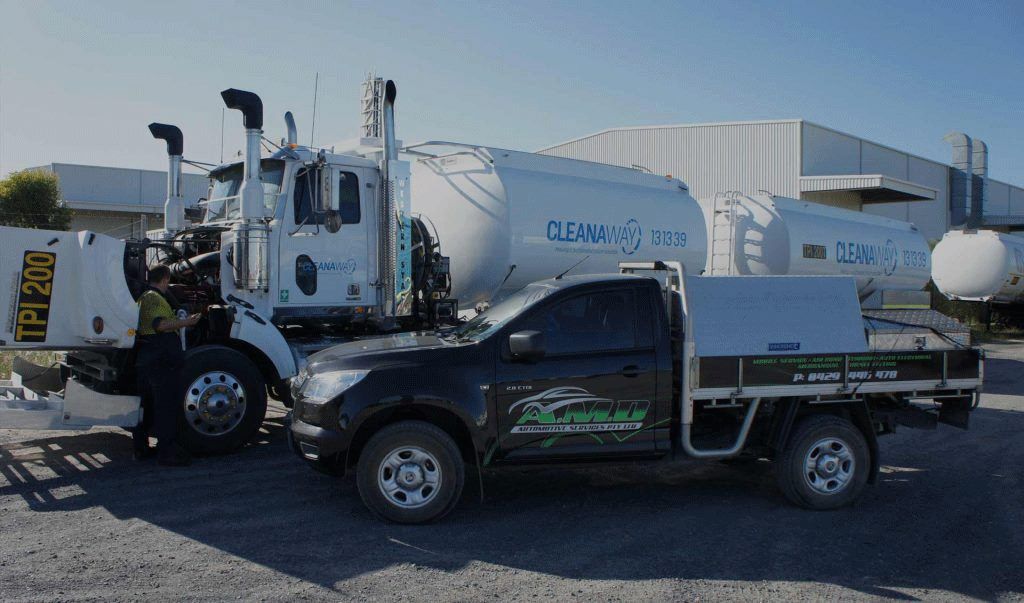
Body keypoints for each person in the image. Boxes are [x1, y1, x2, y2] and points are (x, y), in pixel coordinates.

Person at [132, 265, 200, 466]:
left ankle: (141, 449)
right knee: (166, 406)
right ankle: (167, 453)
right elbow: (160, 325)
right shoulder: (153, 298)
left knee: (147, 406)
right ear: (165, 279)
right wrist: (188, 322)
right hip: (159, 358)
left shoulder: (143, 297)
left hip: (147, 356)